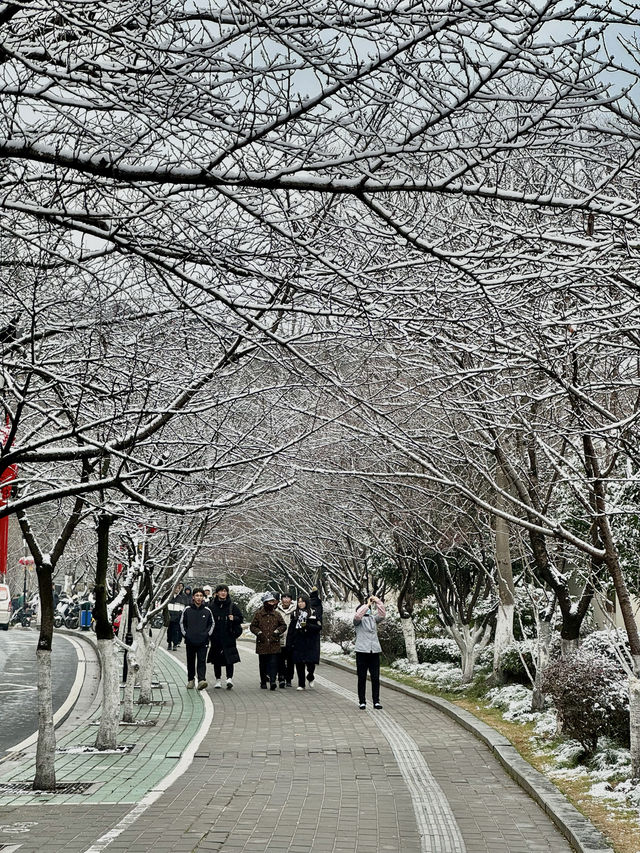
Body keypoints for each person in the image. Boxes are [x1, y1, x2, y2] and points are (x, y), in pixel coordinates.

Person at [207, 584, 244, 689]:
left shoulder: (232, 605)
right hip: (216, 636)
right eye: (221, 591)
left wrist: (234, 618)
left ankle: (229, 679)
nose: (223, 593)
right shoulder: (212, 606)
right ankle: (218, 680)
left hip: (229, 636)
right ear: (217, 593)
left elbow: (241, 618)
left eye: (225, 591)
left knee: (229, 659)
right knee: (216, 660)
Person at [353, 595, 386, 709]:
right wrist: (366, 604)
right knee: (362, 677)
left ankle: (376, 701)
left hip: (374, 651)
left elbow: (382, 614)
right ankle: (362, 701)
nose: (367, 611)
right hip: (362, 651)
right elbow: (358, 615)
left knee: (375, 678)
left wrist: (377, 601)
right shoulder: (358, 621)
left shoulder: (373, 619)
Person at [250, 592, 287, 690]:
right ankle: (263, 681)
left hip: (274, 643)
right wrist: (259, 633)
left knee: (273, 663)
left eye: (273, 601)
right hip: (262, 643)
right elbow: (253, 626)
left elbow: (283, 625)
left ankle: (273, 681)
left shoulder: (276, 614)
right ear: (265, 602)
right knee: (263, 664)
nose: (272, 603)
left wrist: (277, 632)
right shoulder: (259, 614)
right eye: (270, 601)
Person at [180, 588, 214, 690]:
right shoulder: (187, 609)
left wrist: (207, 635)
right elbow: (182, 623)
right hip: (190, 640)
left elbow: (211, 624)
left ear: (203, 597)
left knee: (201, 660)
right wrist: (186, 635)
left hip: (203, 641)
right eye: (197, 595)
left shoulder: (207, 611)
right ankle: (191, 680)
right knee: (190, 661)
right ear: (193, 597)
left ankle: (201, 680)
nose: (199, 598)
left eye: (201, 596)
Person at [286, 594, 322, 690]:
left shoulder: (313, 613)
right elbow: (291, 629)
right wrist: (289, 642)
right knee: (299, 662)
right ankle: (301, 684)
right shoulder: (294, 614)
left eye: (302, 601)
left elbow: (319, 627)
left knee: (310, 663)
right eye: (299, 602)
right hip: (298, 640)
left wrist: (307, 625)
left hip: (310, 641)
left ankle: (310, 676)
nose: (300, 603)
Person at [276, 592, 296, 688]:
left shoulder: (295, 611)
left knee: (290, 661)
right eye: (284, 597)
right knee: (280, 660)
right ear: (281, 599)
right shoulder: (276, 610)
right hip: (280, 639)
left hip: (291, 640)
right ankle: (281, 677)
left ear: (291, 600)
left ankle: (289, 678)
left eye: (288, 598)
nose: (286, 600)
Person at [165, 582, 188, 651]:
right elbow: (165, 608)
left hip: (176, 619)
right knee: (169, 632)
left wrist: (179, 616)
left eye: (178, 588)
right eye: (175, 588)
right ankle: (169, 643)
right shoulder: (169, 598)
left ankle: (175, 644)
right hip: (169, 618)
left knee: (176, 631)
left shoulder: (181, 598)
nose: (177, 590)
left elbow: (182, 609)